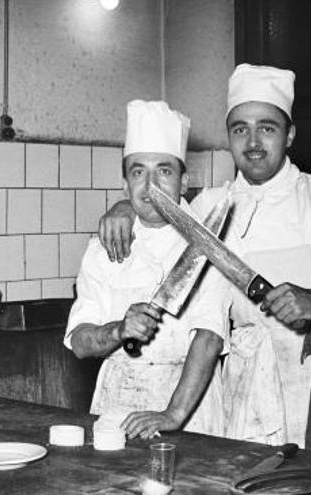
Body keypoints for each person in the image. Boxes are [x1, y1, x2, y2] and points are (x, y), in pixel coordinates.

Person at [98, 64, 311, 461]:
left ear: (289, 134)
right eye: (240, 129)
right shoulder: (208, 207)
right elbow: (155, 208)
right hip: (247, 375)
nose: (253, 142)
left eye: (267, 127)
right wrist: (122, 208)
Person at [64, 100, 228, 440]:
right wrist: (118, 331)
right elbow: (80, 342)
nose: (150, 185)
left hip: (188, 406)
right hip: (117, 401)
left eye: (164, 171)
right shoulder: (102, 248)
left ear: (184, 183)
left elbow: (209, 338)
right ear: (125, 186)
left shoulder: (207, 245)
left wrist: (172, 414)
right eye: (138, 172)